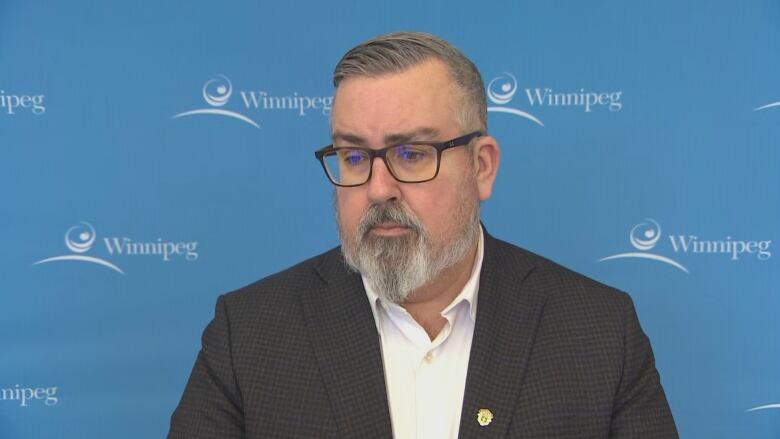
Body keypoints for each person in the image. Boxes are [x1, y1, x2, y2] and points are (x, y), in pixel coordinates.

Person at [168, 31, 678, 438]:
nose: (378, 188)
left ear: (482, 167)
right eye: (353, 156)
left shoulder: (599, 331)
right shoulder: (250, 333)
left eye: (412, 154)